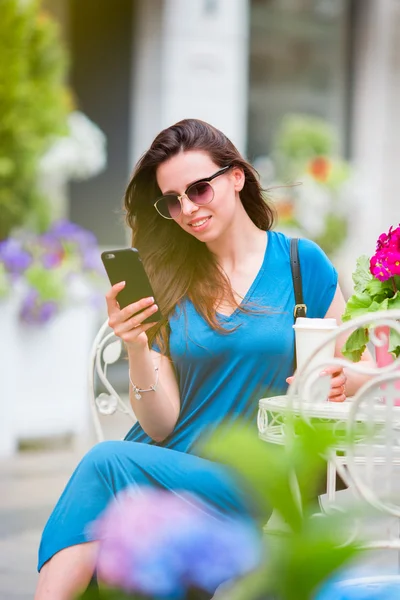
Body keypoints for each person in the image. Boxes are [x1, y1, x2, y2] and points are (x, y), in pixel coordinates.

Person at [34, 119, 373, 600]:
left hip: (254, 477)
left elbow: (354, 367)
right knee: (122, 543)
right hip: (167, 463)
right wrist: (135, 344)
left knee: (104, 463)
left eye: (199, 190)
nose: (187, 209)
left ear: (236, 177)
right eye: (173, 200)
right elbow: (160, 424)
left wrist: (340, 380)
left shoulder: (302, 264)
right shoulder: (169, 279)